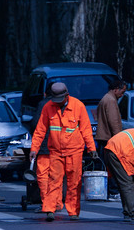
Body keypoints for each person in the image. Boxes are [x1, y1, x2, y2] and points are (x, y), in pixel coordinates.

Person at [29, 82, 97, 221]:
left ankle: (73, 212)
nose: (58, 103)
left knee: (74, 182)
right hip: (55, 151)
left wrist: (92, 148)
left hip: (75, 151)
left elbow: (86, 130)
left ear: (67, 95)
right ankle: (49, 209)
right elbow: (40, 130)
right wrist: (34, 149)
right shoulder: (48, 107)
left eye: (60, 100)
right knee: (54, 180)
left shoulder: (78, 106)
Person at [29, 82, 63, 213]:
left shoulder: (43, 104)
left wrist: (34, 148)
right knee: (57, 176)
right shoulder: (65, 104)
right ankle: (58, 203)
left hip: (44, 147)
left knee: (43, 176)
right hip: (59, 147)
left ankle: (47, 203)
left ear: (45, 93)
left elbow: (36, 126)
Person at [94, 79, 127, 200]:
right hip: (110, 138)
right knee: (112, 166)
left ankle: (109, 191)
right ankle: (113, 192)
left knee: (106, 165)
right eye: (122, 91)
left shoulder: (105, 98)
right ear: (116, 89)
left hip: (104, 137)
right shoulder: (111, 101)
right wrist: (119, 139)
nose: (122, 94)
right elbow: (114, 122)